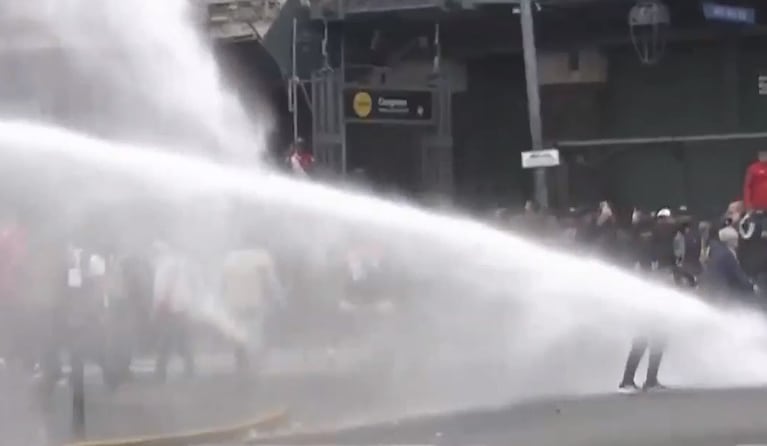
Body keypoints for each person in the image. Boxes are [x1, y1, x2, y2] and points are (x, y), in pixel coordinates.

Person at [152, 242, 196, 381]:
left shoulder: (164, 267)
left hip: (169, 308)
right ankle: (190, 370)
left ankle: (160, 372)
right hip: (182, 307)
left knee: (165, 342)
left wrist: (160, 305)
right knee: (183, 341)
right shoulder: (179, 265)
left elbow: (162, 289)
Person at [699, 226, 756, 305]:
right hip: (723, 290)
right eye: (735, 240)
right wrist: (751, 287)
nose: (737, 243)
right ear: (730, 241)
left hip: (709, 287)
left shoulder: (713, 249)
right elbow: (737, 273)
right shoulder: (727, 254)